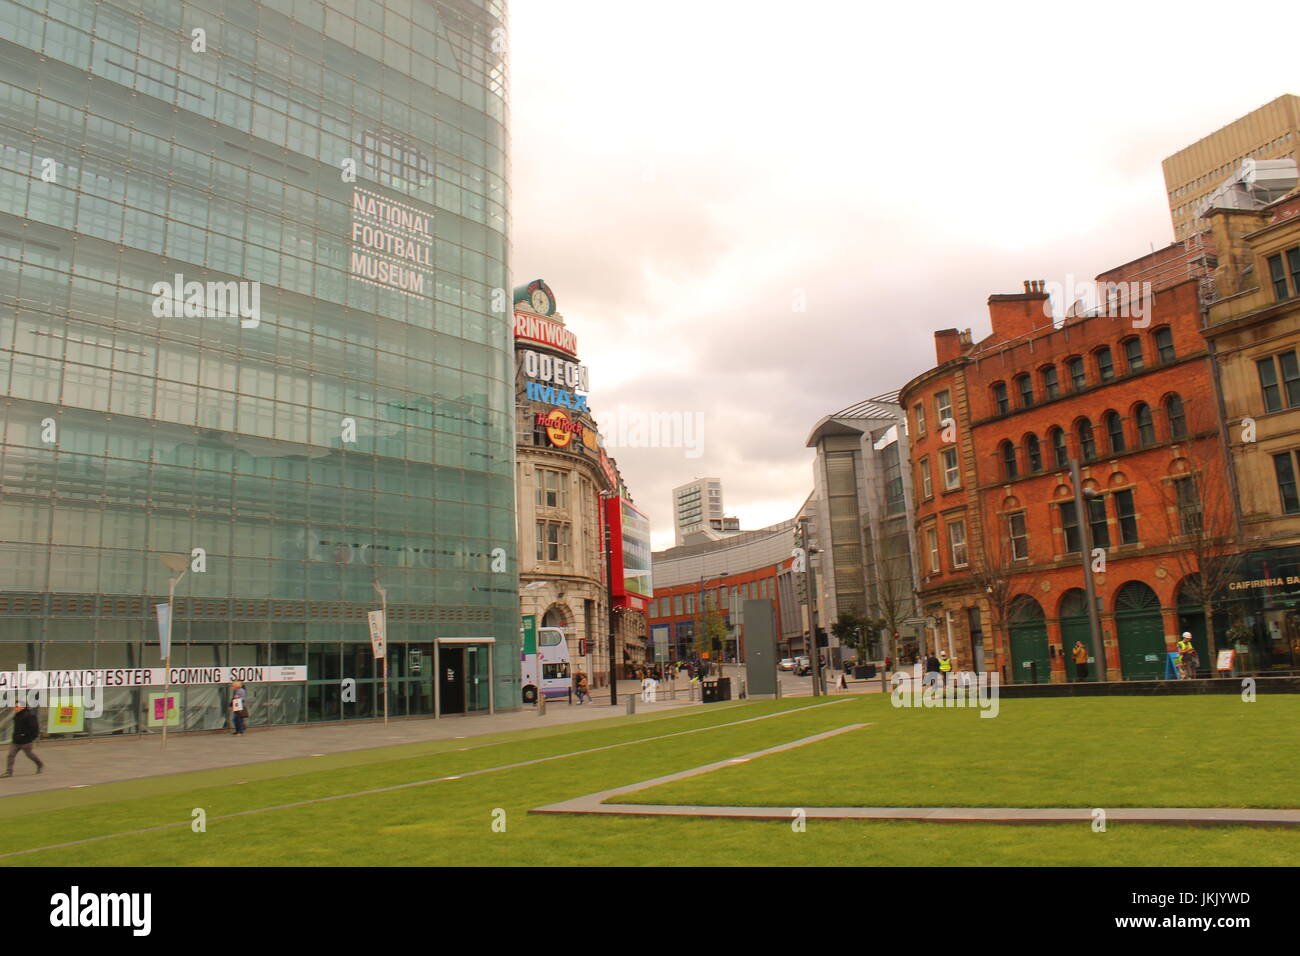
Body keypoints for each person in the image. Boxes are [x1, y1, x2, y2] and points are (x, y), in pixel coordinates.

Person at [3, 701, 44, 777]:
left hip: (26, 741)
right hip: (16, 741)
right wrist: (15, 736)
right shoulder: (17, 715)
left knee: (30, 755)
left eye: (17, 707)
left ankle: (40, 764)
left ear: (22, 707)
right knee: (10, 755)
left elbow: (34, 729)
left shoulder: (30, 716)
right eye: (15, 706)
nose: (15, 708)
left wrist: (28, 737)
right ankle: (9, 772)